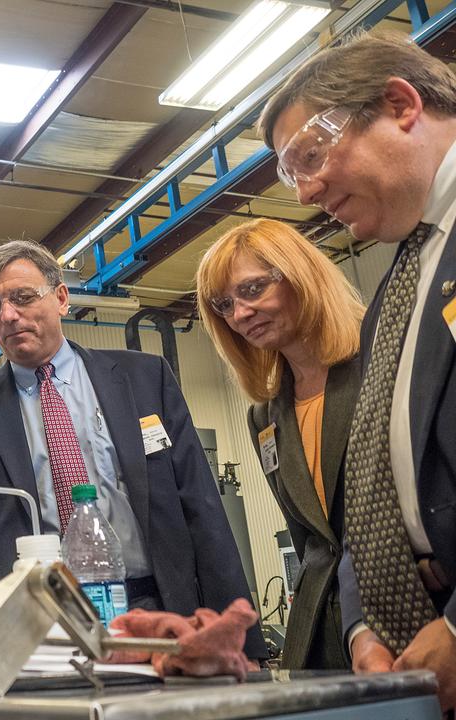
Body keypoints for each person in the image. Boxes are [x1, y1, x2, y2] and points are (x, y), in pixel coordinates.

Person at [0, 239, 264, 658]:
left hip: (156, 610)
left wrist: (245, 645)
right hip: (35, 623)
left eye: (22, 298)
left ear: (61, 298)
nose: (9, 315)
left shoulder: (144, 379)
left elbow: (202, 509)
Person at [259, 31, 456, 708]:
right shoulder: (398, 289)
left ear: (401, 104)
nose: (309, 191)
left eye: (312, 156)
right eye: (293, 174)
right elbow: (369, 490)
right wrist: (363, 623)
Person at [196, 218, 364, 670]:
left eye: (252, 290)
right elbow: (308, 539)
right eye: (225, 304)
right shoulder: (265, 417)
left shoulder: (385, 357)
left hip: (404, 611)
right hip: (320, 640)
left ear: (301, 276)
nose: (240, 314)